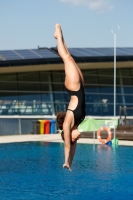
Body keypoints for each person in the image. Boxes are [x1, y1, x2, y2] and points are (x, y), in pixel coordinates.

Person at [54, 23, 86, 171]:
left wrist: (65, 160)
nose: (77, 138)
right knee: (70, 56)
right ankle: (60, 36)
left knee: (65, 57)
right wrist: (71, 163)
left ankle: (58, 35)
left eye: (74, 138)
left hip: (73, 86)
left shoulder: (68, 123)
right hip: (80, 85)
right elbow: (72, 147)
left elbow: (67, 145)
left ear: (67, 135)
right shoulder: (76, 125)